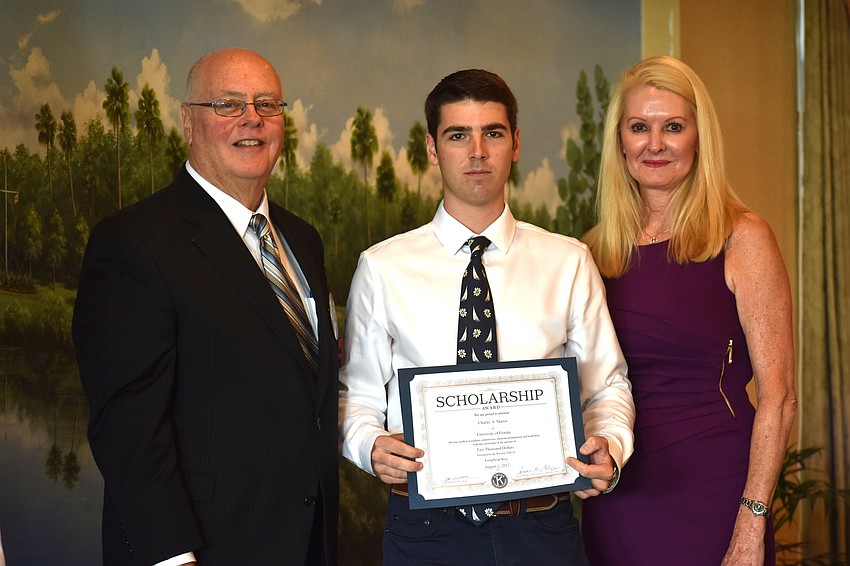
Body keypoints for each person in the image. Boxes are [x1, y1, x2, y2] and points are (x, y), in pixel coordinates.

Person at [339, 68, 635, 565]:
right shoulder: (382, 268)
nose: (477, 151)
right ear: (433, 149)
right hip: (425, 532)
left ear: (515, 143)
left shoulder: (567, 262)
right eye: (458, 135)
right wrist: (369, 445)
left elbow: (608, 386)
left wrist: (611, 443)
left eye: (492, 133)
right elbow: (358, 396)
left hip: (542, 528)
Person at [72, 48, 339, 565]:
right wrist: (173, 558)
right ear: (188, 123)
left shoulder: (302, 240)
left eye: (267, 104)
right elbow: (127, 428)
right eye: (228, 104)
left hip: (306, 544)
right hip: (203, 550)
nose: (252, 119)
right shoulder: (133, 241)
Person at [581, 55, 797, 566]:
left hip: (717, 491)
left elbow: (780, 397)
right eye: (639, 127)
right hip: (620, 493)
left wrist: (751, 519)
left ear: (699, 139)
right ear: (620, 142)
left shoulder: (743, 238)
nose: (654, 144)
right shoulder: (588, 252)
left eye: (673, 127)